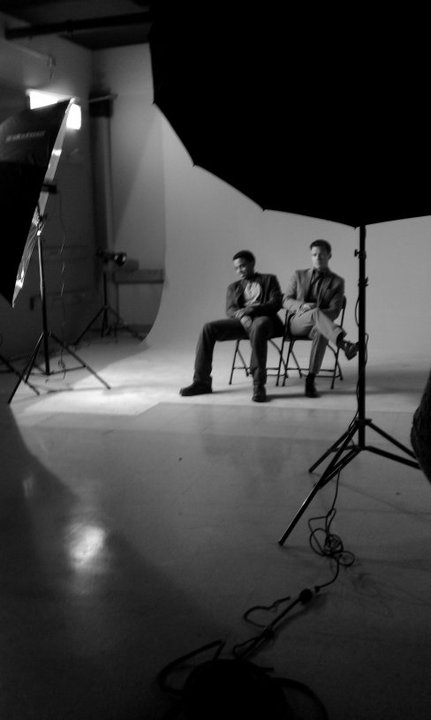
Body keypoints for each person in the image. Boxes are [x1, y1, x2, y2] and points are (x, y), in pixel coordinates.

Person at [180, 250, 284, 402]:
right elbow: (230, 309)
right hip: (243, 323)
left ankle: (258, 385)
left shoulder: (269, 279)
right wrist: (242, 316)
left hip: (266, 322)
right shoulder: (233, 287)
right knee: (208, 328)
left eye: (242, 266)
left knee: (259, 325)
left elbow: (276, 303)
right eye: (236, 268)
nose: (239, 270)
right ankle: (201, 382)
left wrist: (252, 310)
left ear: (252, 263)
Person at [283, 239, 358, 398]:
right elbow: (285, 300)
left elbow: (334, 311)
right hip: (297, 322)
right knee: (316, 314)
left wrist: (317, 314)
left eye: (321, 254)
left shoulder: (337, 282)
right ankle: (343, 343)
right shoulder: (298, 275)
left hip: (319, 326)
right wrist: (302, 306)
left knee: (321, 329)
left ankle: (310, 379)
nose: (317, 258)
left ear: (329, 256)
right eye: (314, 255)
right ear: (311, 256)